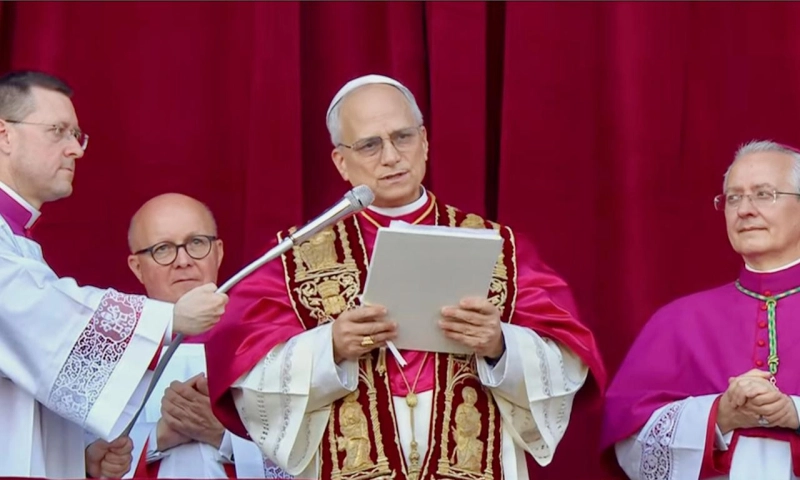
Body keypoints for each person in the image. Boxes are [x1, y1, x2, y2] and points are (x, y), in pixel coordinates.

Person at [205, 74, 606, 480]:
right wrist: (330, 348)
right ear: (341, 162)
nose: (392, 156)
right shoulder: (295, 256)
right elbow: (248, 377)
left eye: (403, 137)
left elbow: (568, 362)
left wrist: (501, 345)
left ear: (425, 142)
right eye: (369, 144)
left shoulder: (498, 246)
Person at [0, 70, 228, 477]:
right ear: (4, 135)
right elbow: (35, 314)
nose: (76, 150)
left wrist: (80, 463)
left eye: (77, 135)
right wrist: (168, 319)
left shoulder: (19, 239)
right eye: (58, 131)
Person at [602, 140, 800, 480]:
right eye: (733, 198)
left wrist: (794, 411)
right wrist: (719, 415)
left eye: (764, 194)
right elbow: (630, 442)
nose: (745, 209)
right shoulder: (678, 321)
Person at [118, 193, 286, 479]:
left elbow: (309, 453)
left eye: (196, 243)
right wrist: (160, 437)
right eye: (163, 248)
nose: (183, 261)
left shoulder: (268, 342)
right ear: (137, 267)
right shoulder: (112, 350)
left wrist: (224, 437)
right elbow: (76, 458)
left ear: (218, 252)